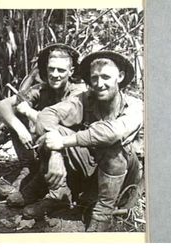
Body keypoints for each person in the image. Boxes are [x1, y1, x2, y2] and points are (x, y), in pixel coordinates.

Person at [24, 51, 143, 232]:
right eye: (94, 78)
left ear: (120, 76)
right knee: (53, 133)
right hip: (92, 169)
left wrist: (63, 142)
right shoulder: (85, 99)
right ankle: (59, 194)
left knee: (112, 146)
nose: (99, 84)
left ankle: (103, 214)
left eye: (105, 77)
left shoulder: (135, 105)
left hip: (123, 176)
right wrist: (55, 151)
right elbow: (48, 114)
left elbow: (111, 133)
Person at [0, 44, 86, 203]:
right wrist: (20, 129)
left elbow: (55, 124)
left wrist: (30, 112)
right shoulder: (42, 89)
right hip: (47, 150)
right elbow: (2, 105)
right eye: (51, 69)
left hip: (73, 153)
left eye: (61, 70)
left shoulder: (78, 92)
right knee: (16, 114)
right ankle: (29, 168)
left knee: (50, 127)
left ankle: (58, 190)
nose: (55, 74)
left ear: (70, 72)